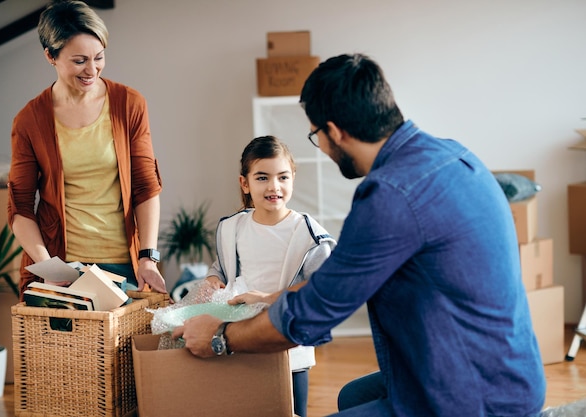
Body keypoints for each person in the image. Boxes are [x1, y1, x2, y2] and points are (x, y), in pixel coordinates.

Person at [173, 53, 546, 416]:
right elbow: (335, 281)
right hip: (507, 372)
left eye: (317, 136)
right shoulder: (450, 154)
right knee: (353, 395)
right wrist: (264, 299)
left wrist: (220, 336)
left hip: (476, 398)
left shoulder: (390, 196)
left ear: (334, 131)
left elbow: (312, 316)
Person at [7, 0, 167, 298]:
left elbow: (146, 186)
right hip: (61, 266)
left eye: (99, 57)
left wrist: (148, 256)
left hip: (124, 266)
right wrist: (49, 269)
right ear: (50, 56)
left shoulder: (129, 104)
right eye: (79, 61)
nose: (92, 70)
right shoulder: (30, 120)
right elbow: (20, 207)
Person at [203, 135, 336, 417]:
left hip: (288, 346)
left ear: (293, 179)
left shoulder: (307, 235)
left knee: (290, 411)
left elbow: (320, 290)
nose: (274, 187)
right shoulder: (233, 227)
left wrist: (266, 298)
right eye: (262, 178)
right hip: (242, 339)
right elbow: (221, 267)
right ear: (245, 183)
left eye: (283, 177)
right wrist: (214, 278)